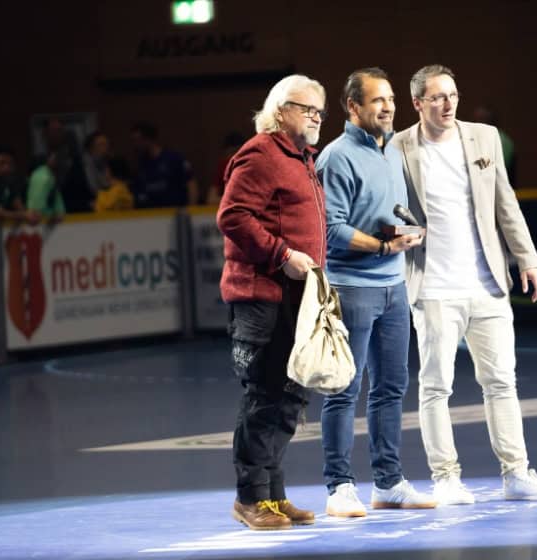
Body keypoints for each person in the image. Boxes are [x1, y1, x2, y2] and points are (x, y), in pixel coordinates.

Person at [390, 64, 537, 506]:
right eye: (437, 97)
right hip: (433, 287)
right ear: (417, 104)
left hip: (487, 283)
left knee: (502, 381)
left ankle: (517, 474)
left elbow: (505, 202)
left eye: (452, 95)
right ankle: (445, 477)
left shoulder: (484, 137)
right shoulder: (398, 147)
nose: (448, 104)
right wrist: (396, 233)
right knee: (436, 386)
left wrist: (527, 258)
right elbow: (386, 206)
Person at [316, 68, 434, 517]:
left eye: (390, 99)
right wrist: (384, 244)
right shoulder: (336, 157)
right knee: (344, 389)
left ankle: (388, 483)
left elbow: (385, 211)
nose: (387, 107)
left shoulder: (391, 152)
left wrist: (407, 233)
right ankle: (339, 487)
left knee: (390, 388)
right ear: (353, 108)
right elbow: (332, 228)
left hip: (394, 286)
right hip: (352, 288)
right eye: (377, 101)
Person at [217, 74, 327, 531]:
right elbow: (232, 216)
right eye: (308, 109)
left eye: (321, 111)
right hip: (262, 297)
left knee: (290, 396)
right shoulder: (262, 152)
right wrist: (282, 255)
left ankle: (274, 497)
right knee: (265, 395)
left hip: (297, 298)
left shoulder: (302, 157)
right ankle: (249, 499)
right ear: (281, 110)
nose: (317, 117)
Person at [131, 122, 199, 208]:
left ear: (148, 139)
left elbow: (191, 184)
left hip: (174, 212)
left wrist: (191, 209)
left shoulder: (173, 159)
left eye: (137, 140)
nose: (135, 145)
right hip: (151, 214)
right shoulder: (140, 164)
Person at [27, 151, 66, 222]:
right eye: (54, 159)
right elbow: (36, 209)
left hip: (49, 219)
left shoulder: (52, 176)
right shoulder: (43, 177)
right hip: (39, 221)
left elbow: (57, 200)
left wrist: (60, 212)